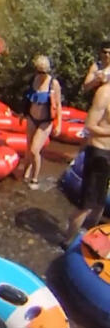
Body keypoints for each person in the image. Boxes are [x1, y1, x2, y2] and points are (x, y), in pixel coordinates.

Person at [64, 76, 110, 246]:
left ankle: (87, 238)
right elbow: (89, 126)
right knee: (87, 205)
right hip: (99, 152)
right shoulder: (104, 93)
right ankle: (66, 242)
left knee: (100, 203)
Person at [20, 55, 62, 189]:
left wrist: (59, 124)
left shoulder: (53, 84)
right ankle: (25, 173)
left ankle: (35, 179)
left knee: (34, 150)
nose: (41, 74)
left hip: (45, 121)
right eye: (39, 71)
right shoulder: (33, 80)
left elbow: (59, 105)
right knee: (28, 148)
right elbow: (27, 99)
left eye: (43, 72)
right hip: (32, 118)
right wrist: (23, 114)